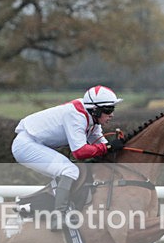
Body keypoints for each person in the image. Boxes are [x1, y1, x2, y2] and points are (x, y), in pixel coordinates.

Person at [11, 85, 125, 229]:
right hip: (26, 145)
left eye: (113, 109)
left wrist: (115, 148)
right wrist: (108, 147)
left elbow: (99, 142)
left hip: (33, 143)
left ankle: (46, 205)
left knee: (72, 171)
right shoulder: (76, 115)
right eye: (108, 110)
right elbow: (80, 152)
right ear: (95, 110)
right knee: (69, 171)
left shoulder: (91, 117)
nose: (112, 114)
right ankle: (58, 216)